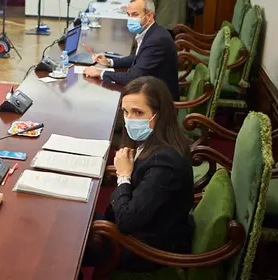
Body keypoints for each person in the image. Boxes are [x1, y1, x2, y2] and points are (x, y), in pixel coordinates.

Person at [82, 76, 194, 273]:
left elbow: (126, 221)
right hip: (141, 228)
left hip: (143, 249)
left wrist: (123, 175)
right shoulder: (159, 140)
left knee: (62, 244)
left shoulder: (165, 162)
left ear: (160, 114)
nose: (130, 119)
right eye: (125, 112)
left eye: (138, 112)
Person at [84, 0, 180, 101]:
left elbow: (134, 77)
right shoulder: (152, 32)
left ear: (149, 16)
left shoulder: (156, 40)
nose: (130, 19)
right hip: (153, 90)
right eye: (129, 15)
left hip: (161, 101)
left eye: (135, 15)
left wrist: (100, 73)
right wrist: (109, 62)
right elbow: (139, 57)